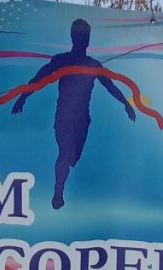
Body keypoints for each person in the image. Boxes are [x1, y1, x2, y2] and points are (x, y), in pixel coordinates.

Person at [10, 17, 135, 209]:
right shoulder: (62, 60)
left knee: (73, 158)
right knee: (65, 153)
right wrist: (22, 97)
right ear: (74, 38)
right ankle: (58, 194)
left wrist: (126, 103)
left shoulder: (93, 65)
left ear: (88, 40)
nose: (82, 39)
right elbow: (39, 78)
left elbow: (110, 86)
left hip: (83, 120)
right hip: (64, 117)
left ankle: (68, 164)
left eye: (84, 36)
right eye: (80, 36)